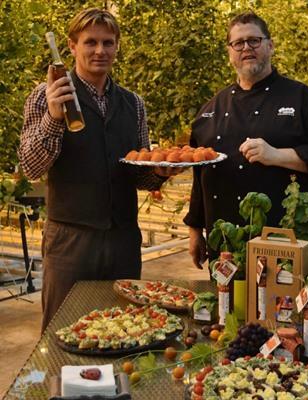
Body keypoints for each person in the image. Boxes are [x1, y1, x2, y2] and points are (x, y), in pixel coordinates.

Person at [19, 8, 172, 331]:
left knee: (126, 329)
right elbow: (32, 167)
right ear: (72, 46)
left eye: (108, 42)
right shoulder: (44, 97)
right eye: (90, 42)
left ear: (117, 46)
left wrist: (160, 172)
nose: (100, 51)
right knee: (65, 332)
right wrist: (53, 118)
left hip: (123, 241)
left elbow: (138, 175)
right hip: (70, 243)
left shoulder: (133, 104)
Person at [184, 12, 308, 267]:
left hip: (285, 240)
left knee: (282, 306)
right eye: (238, 43)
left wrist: (278, 155)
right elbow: (200, 175)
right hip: (225, 243)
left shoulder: (299, 97)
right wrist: (195, 229)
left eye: (254, 40)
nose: (246, 48)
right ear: (229, 52)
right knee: (227, 305)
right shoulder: (211, 108)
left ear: (270, 46)